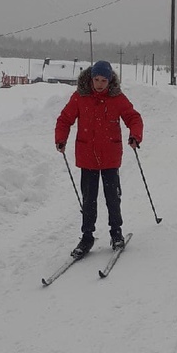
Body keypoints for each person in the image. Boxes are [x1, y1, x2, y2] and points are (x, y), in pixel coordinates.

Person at [55, 60, 144, 258]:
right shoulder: (80, 97)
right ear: (91, 78)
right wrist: (61, 139)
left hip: (110, 156)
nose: (100, 84)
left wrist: (135, 135)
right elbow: (64, 119)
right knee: (89, 200)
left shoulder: (117, 98)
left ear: (110, 79)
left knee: (113, 197)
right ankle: (87, 237)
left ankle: (116, 232)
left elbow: (133, 118)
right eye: (96, 79)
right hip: (87, 157)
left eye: (104, 80)